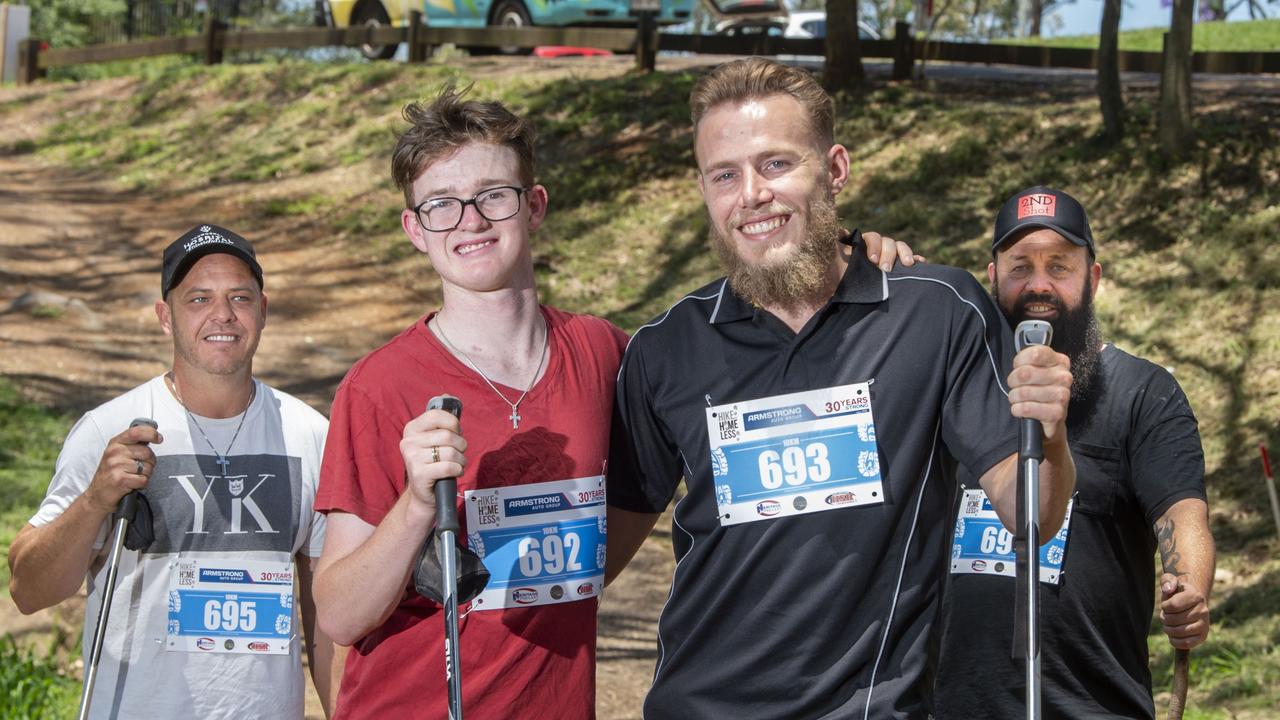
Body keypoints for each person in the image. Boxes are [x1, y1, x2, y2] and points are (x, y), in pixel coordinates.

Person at [309, 83, 914, 720]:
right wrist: (412, 507)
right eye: (441, 205)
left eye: (493, 195)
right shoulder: (379, 387)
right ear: (414, 228)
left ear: (534, 205)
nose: (470, 221)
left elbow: (737, 369)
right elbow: (343, 614)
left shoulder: (606, 355)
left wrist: (848, 256)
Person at [603, 57, 1077, 719]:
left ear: (835, 169)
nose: (751, 194)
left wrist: (1048, 435)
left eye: (775, 164)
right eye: (724, 175)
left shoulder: (936, 312)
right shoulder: (666, 347)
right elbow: (597, 558)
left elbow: (1034, 514)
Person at [7, 224, 338, 718]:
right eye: (198, 298)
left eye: (240, 298)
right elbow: (29, 591)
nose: (222, 315)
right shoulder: (109, 430)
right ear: (166, 317)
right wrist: (94, 501)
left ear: (263, 312)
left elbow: (327, 615)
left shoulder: (310, 435)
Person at [932, 187, 1215, 719]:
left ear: (1094, 278)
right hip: (954, 705)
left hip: (1095, 705)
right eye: (1020, 266)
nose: (1039, 285)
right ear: (992, 278)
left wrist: (1190, 591)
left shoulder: (1143, 393)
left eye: (1059, 266)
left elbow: (1183, 513)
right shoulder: (955, 389)